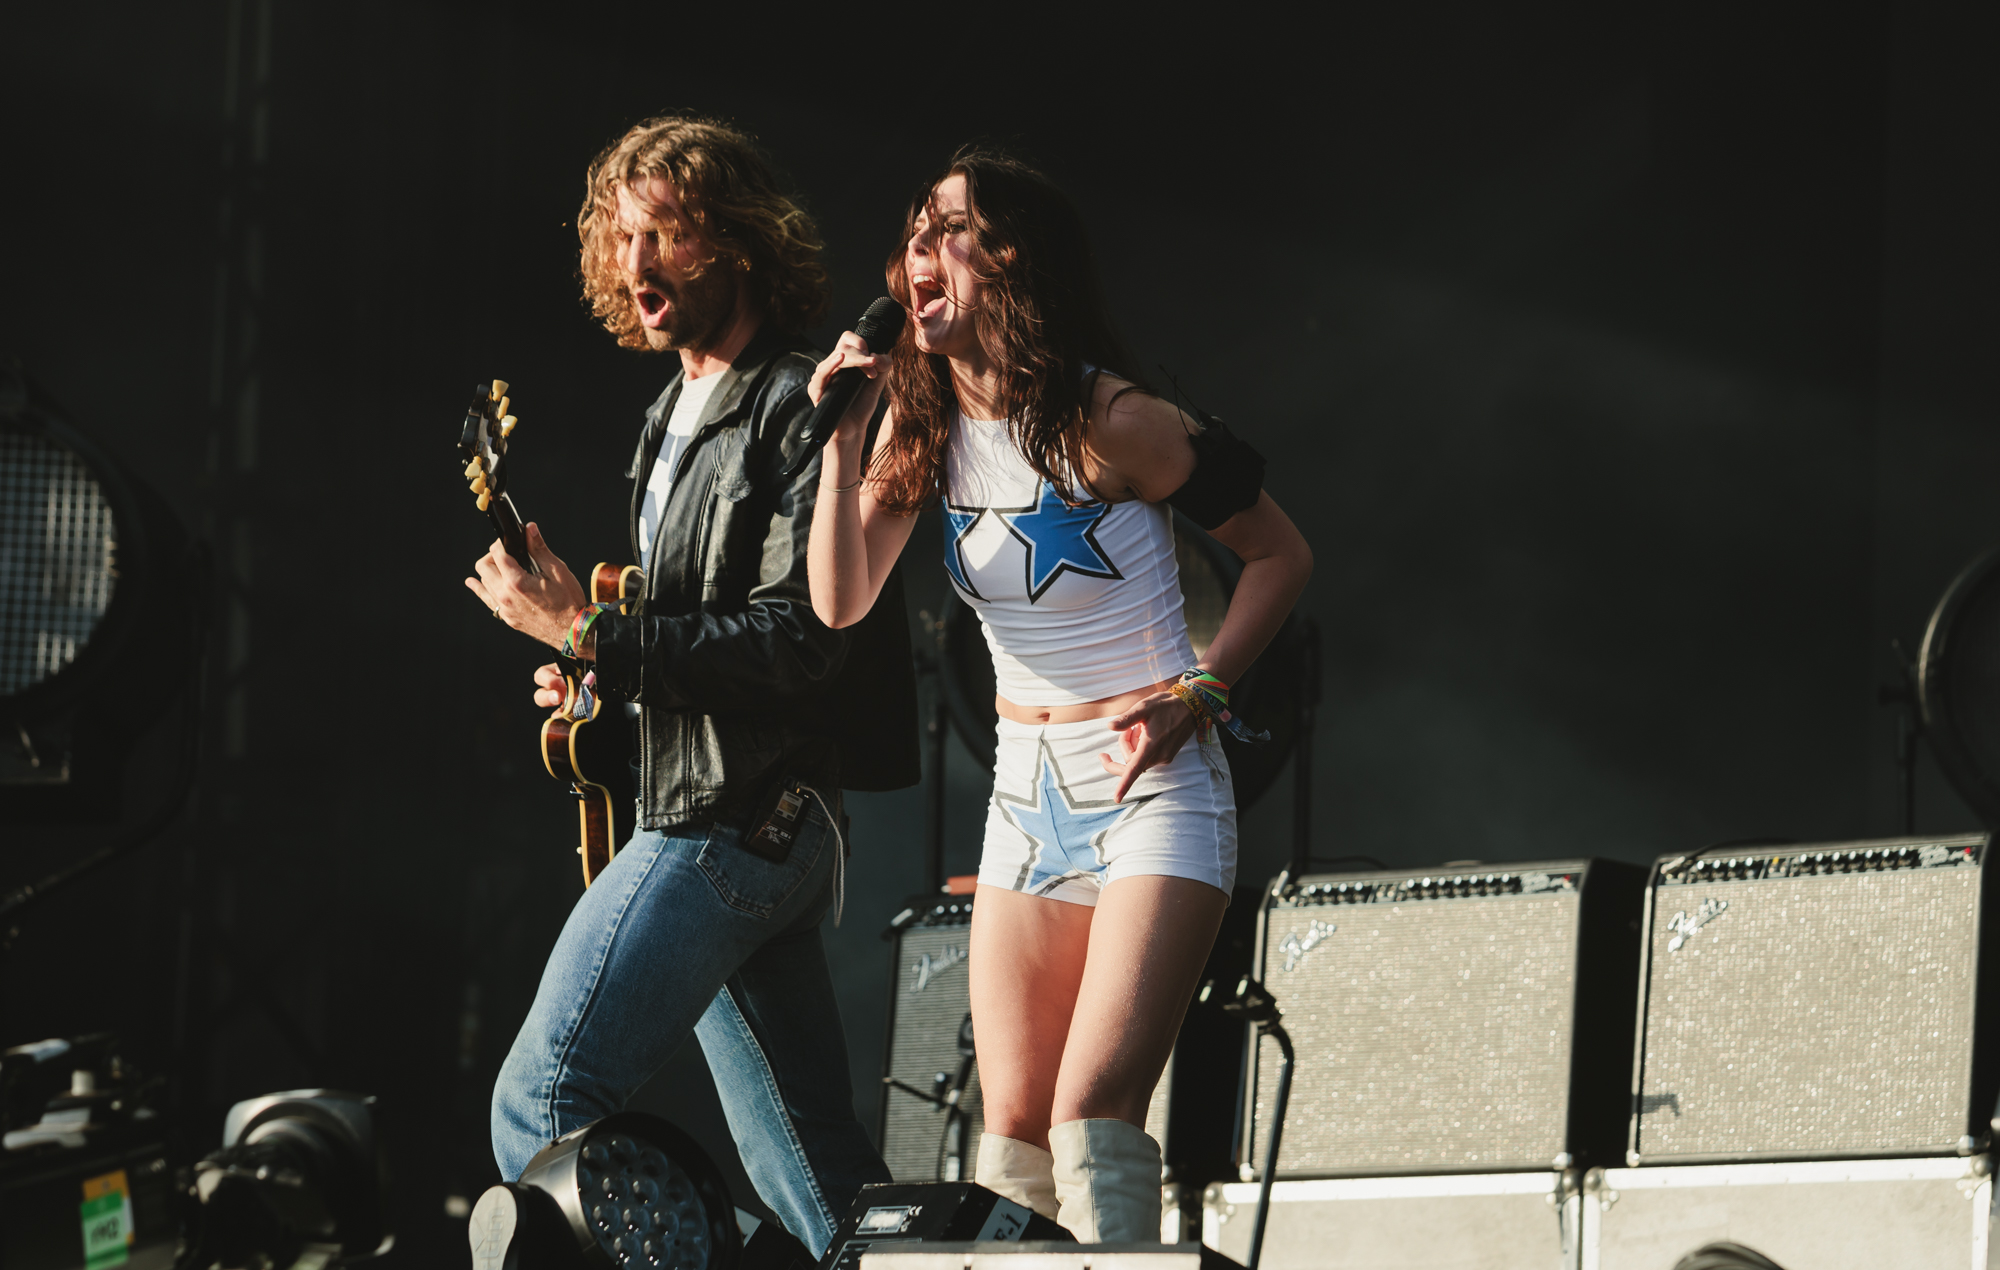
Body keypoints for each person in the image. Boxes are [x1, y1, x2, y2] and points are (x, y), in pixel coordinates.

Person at [804, 149, 1313, 1242]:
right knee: (1012, 1131)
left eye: (944, 231)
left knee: (1091, 1115)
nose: (915, 255)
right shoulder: (920, 424)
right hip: (1023, 796)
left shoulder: (1114, 417)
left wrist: (1201, 686)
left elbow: (1279, 554)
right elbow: (840, 600)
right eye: (910, 236)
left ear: (1008, 257)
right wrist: (844, 435)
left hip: (1152, 790)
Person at [466, 115, 918, 1255]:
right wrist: (593, 676)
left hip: (732, 817)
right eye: (621, 238)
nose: (635, 263)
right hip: (719, 809)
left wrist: (592, 634)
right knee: (818, 1178)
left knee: (540, 1106)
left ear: (742, 241)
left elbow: (805, 643)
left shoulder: (795, 406)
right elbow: (681, 649)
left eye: (664, 232)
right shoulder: (666, 417)